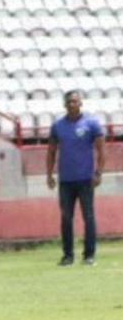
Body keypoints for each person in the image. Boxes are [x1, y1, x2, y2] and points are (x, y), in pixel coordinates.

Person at [46, 90, 105, 266]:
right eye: (69, 102)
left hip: (86, 179)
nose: (72, 105)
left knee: (88, 216)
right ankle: (68, 256)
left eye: (75, 101)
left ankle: (89, 255)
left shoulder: (92, 123)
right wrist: (49, 174)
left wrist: (99, 172)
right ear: (65, 105)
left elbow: (102, 151)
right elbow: (51, 152)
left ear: (81, 103)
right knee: (66, 217)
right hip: (66, 180)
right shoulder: (58, 126)